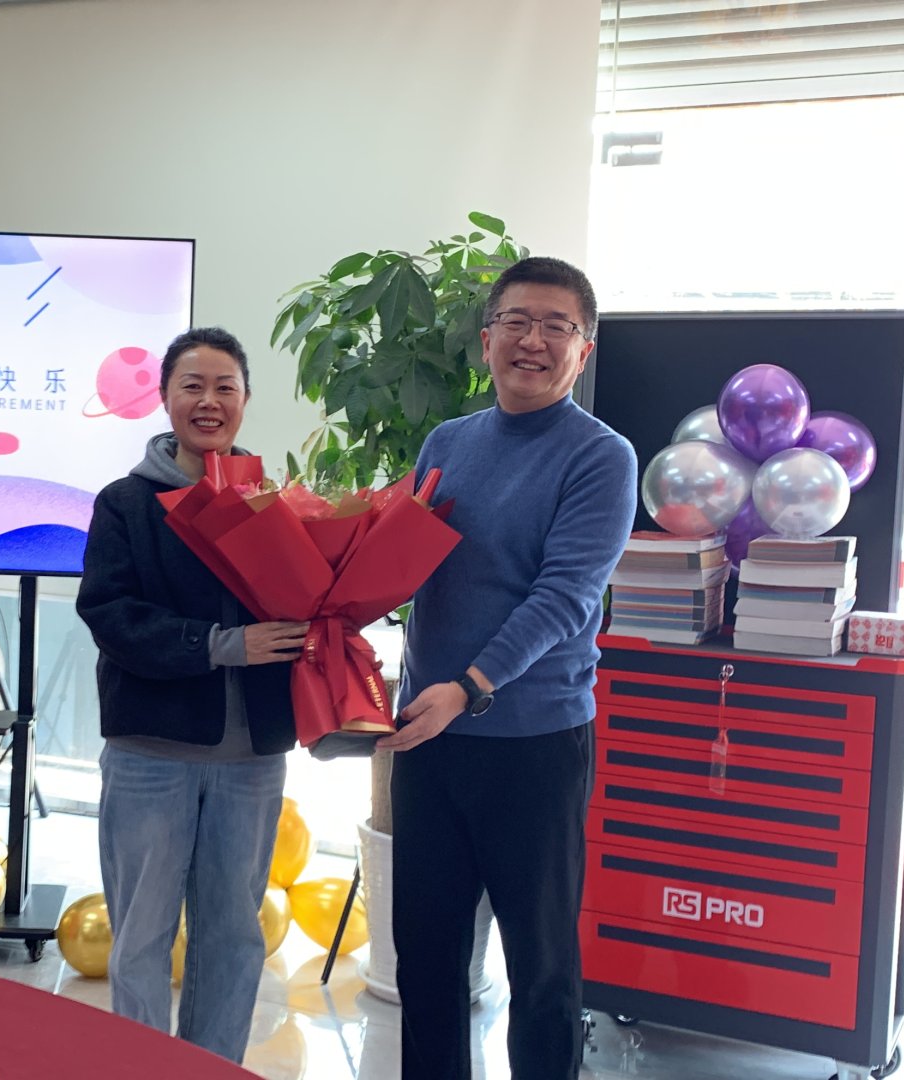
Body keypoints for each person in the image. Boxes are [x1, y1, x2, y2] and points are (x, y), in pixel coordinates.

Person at [379, 256, 639, 1080]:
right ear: (487, 339)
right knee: (425, 958)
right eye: (517, 322)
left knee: (542, 969)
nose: (533, 340)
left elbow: (565, 597)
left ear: (582, 351)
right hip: (430, 738)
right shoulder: (447, 442)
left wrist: (469, 688)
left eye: (556, 326)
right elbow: (399, 563)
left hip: (533, 744)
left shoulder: (601, 457)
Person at [77, 327, 308, 1063]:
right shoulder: (126, 504)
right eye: (193, 386)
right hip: (150, 754)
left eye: (225, 387)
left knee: (234, 936)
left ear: (245, 400)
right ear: (165, 397)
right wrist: (220, 644)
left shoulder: (274, 505)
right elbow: (109, 614)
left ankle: (212, 1069)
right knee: (142, 934)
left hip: (252, 760)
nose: (209, 401)